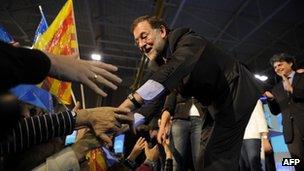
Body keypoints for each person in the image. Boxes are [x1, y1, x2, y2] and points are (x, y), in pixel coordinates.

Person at [119, 15, 261, 170]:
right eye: (137, 41)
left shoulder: (187, 40)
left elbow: (172, 70)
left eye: (144, 36)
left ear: (162, 31)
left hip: (237, 90)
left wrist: (127, 104)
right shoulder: (160, 63)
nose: (141, 44)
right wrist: (128, 121)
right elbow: (157, 99)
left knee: (216, 158)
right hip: (214, 104)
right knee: (203, 158)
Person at [264, 53, 304, 170]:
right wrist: (271, 99)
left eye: (280, 64)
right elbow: (276, 111)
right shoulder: (276, 88)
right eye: (275, 67)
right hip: (290, 132)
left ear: (290, 63)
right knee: (298, 163)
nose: (277, 68)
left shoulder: (302, 76)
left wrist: (292, 90)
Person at [158, 90, 207, 171]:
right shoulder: (178, 82)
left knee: (200, 160)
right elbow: (168, 107)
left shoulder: (205, 80)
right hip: (180, 119)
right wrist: (162, 127)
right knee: (176, 163)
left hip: (201, 119)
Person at [239, 99, 272, 171]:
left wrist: (265, 138)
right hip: (239, 138)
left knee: (255, 166)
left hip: (252, 136)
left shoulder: (254, 99)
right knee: (244, 167)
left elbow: (261, 118)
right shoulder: (234, 102)